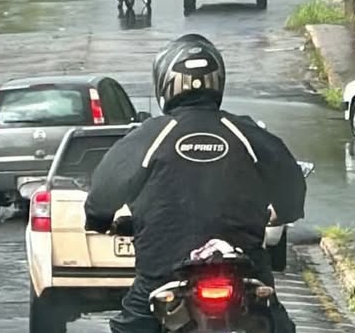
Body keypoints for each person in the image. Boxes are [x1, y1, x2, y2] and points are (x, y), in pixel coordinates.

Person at [85, 33, 305, 333]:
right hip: (245, 271)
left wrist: (98, 220)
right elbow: (291, 185)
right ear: (218, 81)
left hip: (162, 274)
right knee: (278, 325)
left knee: (129, 327)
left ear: (164, 82)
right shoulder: (245, 132)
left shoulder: (150, 136)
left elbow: (103, 191)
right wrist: (282, 212)